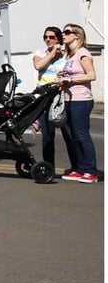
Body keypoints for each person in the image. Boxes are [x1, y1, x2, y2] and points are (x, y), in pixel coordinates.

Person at [56, 24, 99, 184]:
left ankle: (91, 171)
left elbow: (91, 75)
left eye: (67, 32)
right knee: (73, 137)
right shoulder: (70, 56)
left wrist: (70, 79)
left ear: (77, 36)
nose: (63, 34)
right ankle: (80, 169)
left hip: (81, 100)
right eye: (63, 32)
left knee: (82, 135)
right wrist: (62, 76)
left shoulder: (83, 53)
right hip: (69, 100)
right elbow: (71, 75)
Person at [32, 26, 76, 174]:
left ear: (59, 39)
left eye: (52, 37)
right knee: (47, 137)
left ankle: (76, 167)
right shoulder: (40, 53)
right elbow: (38, 66)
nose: (48, 40)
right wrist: (51, 54)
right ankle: (48, 167)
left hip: (61, 98)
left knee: (69, 134)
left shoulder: (67, 56)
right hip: (44, 98)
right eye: (46, 37)